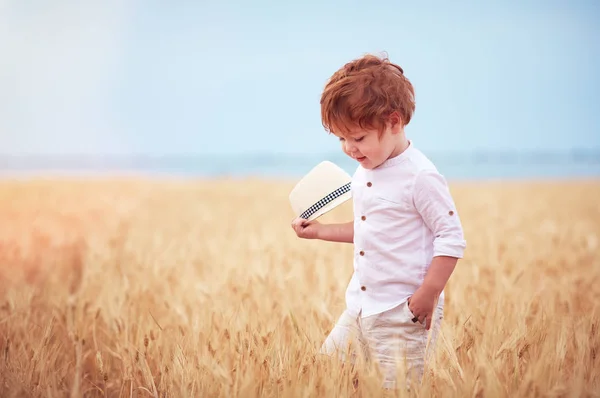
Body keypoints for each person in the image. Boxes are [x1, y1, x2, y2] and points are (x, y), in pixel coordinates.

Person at [291, 52, 467, 391]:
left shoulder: (420, 177)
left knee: (395, 389)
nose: (349, 149)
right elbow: (371, 229)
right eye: (341, 139)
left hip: (402, 312)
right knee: (327, 376)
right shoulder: (365, 170)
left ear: (394, 122)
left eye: (358, 138)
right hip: (359, 305)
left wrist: (428, 293)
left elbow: (451, 236)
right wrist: (321, 232)